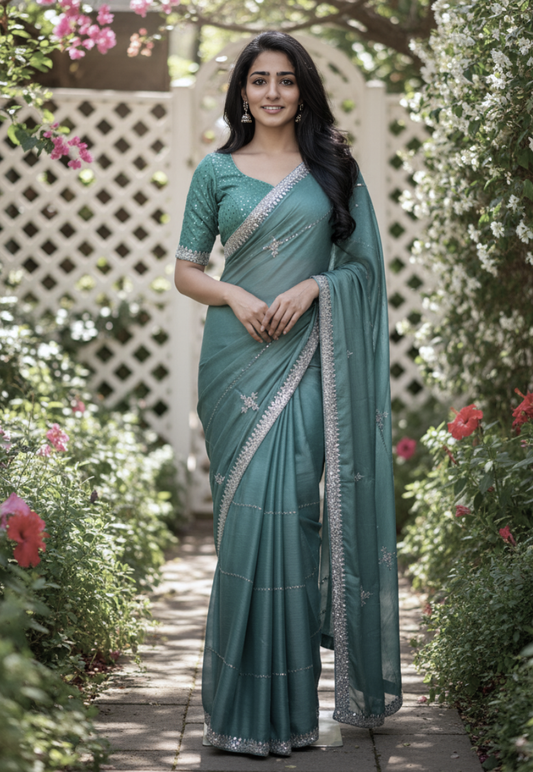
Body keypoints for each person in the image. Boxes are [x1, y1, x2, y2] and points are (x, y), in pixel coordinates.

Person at [174, 31, 402, 757]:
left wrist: (311, 287)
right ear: (240, 92)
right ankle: (238, 711)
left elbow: (363, 270)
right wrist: (236, 297)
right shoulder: (216, 172)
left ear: (303, 90)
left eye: (285, 80)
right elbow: (185, 271)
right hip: (234, 363)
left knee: (296, 516)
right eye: (258, 80)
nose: (272, 92)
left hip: (306, 360)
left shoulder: (332, 168)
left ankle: (292, 713)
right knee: (244, 524)